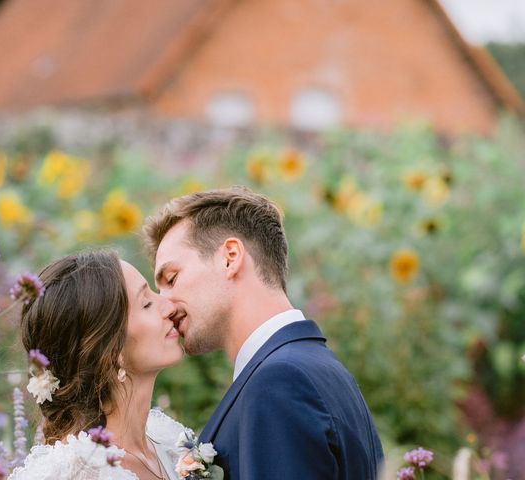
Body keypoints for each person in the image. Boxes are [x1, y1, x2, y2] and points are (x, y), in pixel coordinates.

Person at [143, 185, 385, 479]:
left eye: (172, 278)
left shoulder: (279, 381)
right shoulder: (316, 369)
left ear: (230, 257)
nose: (165, 304)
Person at [9, 250, 188, 480]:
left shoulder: (171, 443)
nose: (169, 306)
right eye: (146, 304)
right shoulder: (77, 473)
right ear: (112, 351)